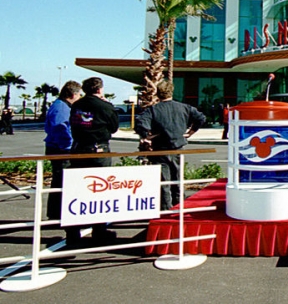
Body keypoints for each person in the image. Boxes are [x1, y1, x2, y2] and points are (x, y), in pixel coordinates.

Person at [135, 81, 206, 211]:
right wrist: (190, 132)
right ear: (171, 92)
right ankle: (179, 207)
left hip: (159, 150)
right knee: (178, 179)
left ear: (158, 93)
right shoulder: (184, 107)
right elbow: (200, 118)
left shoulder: (153, 110)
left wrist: (147, 136)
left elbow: (140, 123)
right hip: (178, 148)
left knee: (163, 182)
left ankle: (165, 209)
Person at [69, 77, 119, 246]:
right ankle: (99, 231)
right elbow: (114, 127)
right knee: (100, 190)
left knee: (76, 190)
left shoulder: (77, 105)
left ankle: (72, 232)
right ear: (99, 90)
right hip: (98, 151)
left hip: (78, 149)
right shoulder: (105, 106)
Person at [44, 80, 82, 222]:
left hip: (59, 148)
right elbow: (60, 129)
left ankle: (57, 213)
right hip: (60, 149)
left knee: (61, 180)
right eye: (79, 95)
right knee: (61, 181)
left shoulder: (62, 106)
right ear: (73, 94)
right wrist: (68, 147)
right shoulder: (61, 108)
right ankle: (55, 214)